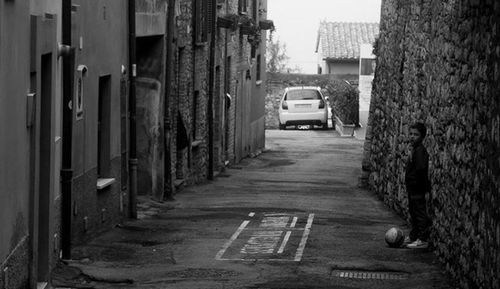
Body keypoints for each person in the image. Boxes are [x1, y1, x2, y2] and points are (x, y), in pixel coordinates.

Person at [404, 122, 432, 249]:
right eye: (410, 134)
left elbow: (421, 170)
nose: (412, 137)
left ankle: (423, 239)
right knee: (413, 212)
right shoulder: (415, 150)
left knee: (419, 213)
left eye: (416, 134)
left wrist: (424, 188)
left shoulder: (420, 151)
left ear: (422, 137)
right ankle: (414, 236)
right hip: (413, 188)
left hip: (417, 188)